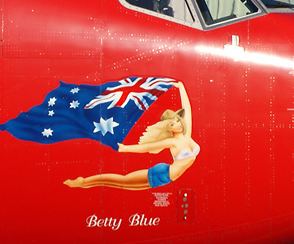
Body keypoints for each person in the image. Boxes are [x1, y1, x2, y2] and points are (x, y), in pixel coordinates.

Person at [64, 81, 199, 190]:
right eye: (173, 123)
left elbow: (187, 110)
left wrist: (181, 87)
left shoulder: (187, 135)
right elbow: (146, 147)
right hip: (162, 174)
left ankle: (84, 183)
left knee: (122, 183)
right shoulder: (172, 142)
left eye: (177, 120)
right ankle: (83, 181)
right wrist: (125, 148)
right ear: (169, 128)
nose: (178, 124)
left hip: (167, 178)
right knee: (123, 180)